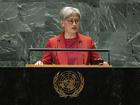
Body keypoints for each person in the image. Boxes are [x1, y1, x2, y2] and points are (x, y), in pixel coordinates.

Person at [35, 6, 107, 65]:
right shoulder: (53, 42)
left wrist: (102, 64)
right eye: (71, 21)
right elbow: (45, 63)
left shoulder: (87, 41)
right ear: (62, 23)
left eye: (76, 21)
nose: (74, 24)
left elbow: (97, 63)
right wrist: (40, 63)